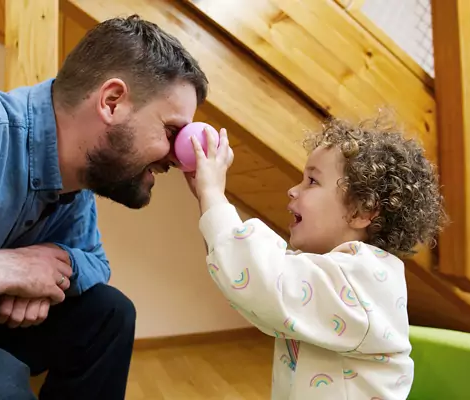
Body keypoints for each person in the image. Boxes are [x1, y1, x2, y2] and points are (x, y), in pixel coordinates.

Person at [0, 14, 208, 400]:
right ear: (112, 101)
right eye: (172, 132)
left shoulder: (73, 176)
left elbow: (96, 263)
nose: (178, 156)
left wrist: (48, 263)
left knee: (109, 314)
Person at [186, 116, 446, 399]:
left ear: (361, 212)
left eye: (312, 180)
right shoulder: (332, 272)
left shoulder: (360, 281)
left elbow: (261, 280)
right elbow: (246, 284)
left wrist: (213, 194)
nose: (293, 189)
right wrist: (208, 203)